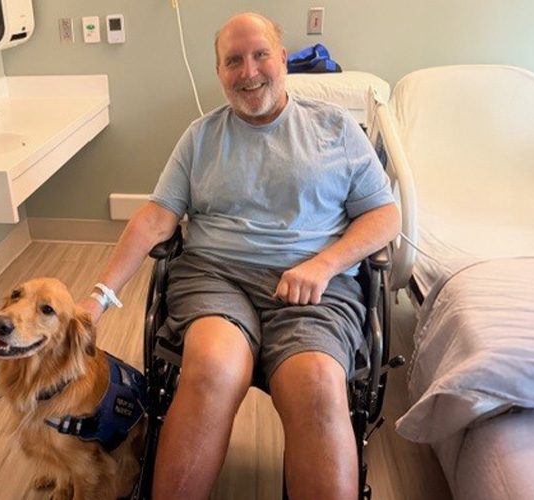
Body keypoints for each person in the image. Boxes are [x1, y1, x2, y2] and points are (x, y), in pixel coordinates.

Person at [78, 11, 400, 500]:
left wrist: (324, 264)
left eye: (260, 55)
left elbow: (385, 216)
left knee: (317, 385)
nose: (248, 72)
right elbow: (156, 218)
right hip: (216, 277)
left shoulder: (335, 129)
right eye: (233, 61)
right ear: (220, 73)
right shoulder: (201, 137)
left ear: (283, 59)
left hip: (316, 285)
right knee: (211, 368)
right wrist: (99, 297)